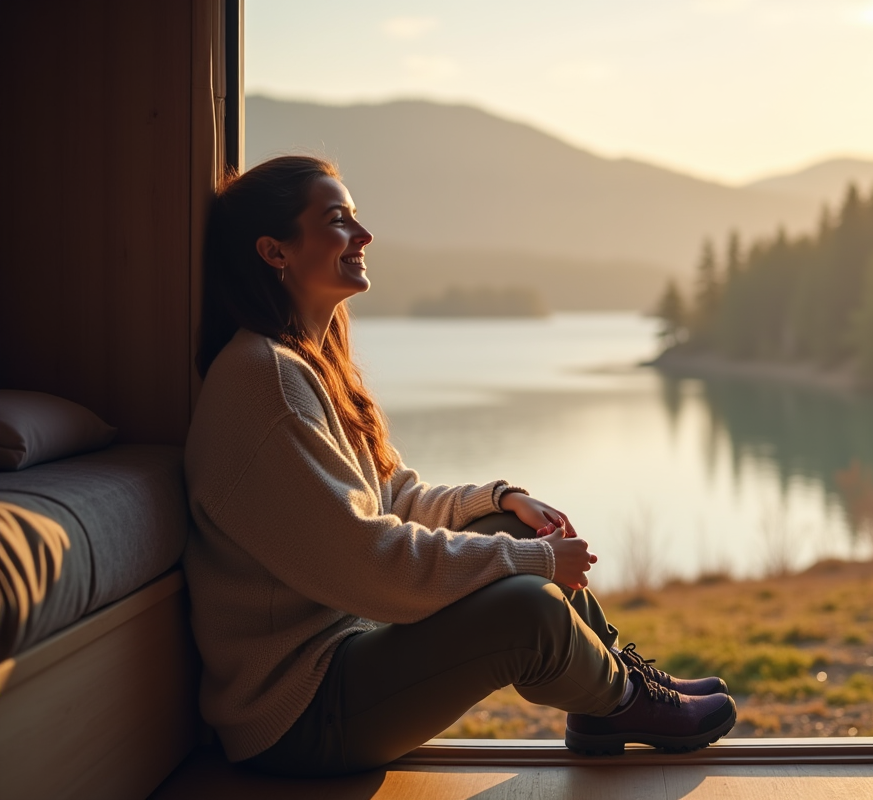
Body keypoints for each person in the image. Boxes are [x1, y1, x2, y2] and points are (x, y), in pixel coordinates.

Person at [183, 155, 737, 777]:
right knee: (528, 610)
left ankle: (610, 691)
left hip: (345, 656)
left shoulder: (302, 364)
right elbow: (368, 561)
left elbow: (389, 497)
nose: (364, 237)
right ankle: (622, 702)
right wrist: (536, 563)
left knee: (523, 531)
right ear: (274, 251)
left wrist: (499, 501)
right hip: (297, 713)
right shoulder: (265, 381)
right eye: (338, 221)